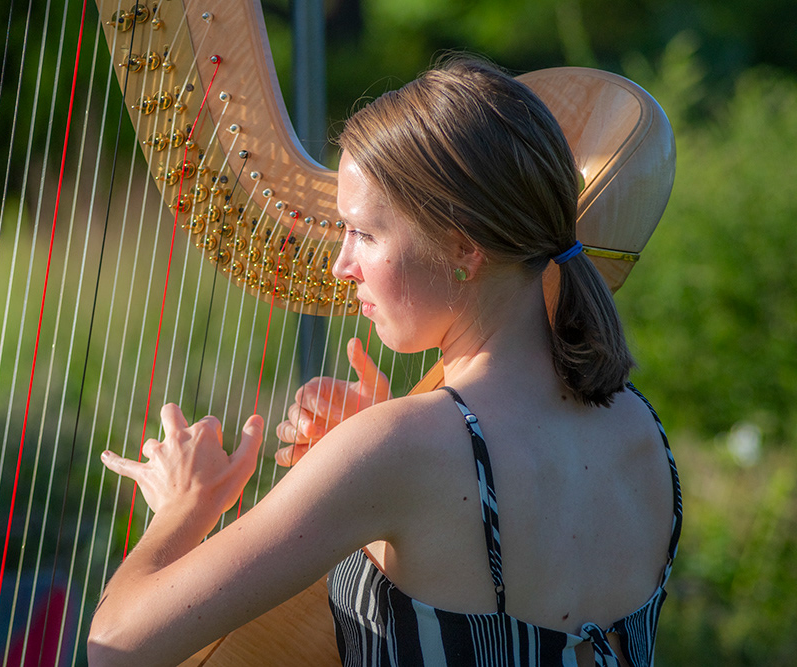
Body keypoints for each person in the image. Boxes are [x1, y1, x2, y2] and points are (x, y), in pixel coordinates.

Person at [87, 56, 681, 667]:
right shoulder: (641, 432)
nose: (343, 266)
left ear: (463, 245)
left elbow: (119, 648)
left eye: (365, 234)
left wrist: (185, 507)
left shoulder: (398, 453)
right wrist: (400, 436)